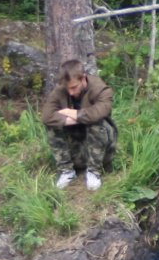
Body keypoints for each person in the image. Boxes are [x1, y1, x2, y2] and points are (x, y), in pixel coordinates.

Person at [40, 58, 116, 190]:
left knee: (97, 123)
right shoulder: (61, 89)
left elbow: (100, 112)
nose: (70, 92)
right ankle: (66, 170)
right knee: (52, 125)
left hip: (101, 148)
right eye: (68, 88)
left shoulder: (101, 89)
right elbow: (46, 116)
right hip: (76, 144)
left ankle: (94, 171)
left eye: (74, 87)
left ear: (83, 78)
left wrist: (71, 113)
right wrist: (73, 119)